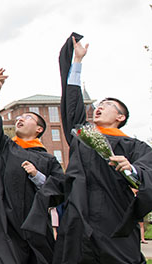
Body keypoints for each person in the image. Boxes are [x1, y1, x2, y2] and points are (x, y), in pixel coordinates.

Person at [30, 34, 152, 263]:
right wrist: (77, 62)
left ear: (120, 116)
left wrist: (132, 171)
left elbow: (148, 171)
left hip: (114, 215)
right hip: (78, 215)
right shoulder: (83, 136)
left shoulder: (133, 145)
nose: (99, 108)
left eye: (107, 106)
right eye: (99, 105)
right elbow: (72, 104)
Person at [0, 68, 65, 263]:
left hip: (35, 224)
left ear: (39, 129)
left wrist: (36, 175)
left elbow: (58, 191)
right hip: (4, 224)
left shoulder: (48, 160)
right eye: (18, 117)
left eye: (27, 117)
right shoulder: (4, 147)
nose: (19, 119)